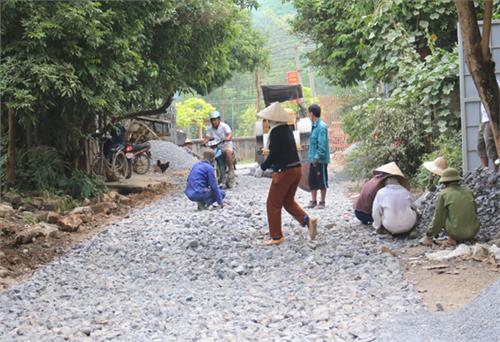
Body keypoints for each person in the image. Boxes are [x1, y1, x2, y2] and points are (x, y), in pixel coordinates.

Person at [254, 102, 317, 245]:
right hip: (296, 169)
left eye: (268, 120)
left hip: (284, 171)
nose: (267, 122)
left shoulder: (275, 132)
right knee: (288, 201)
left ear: (273, 120)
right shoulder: (287, 129)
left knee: (273, 203)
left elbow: (274, 154)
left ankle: (276, 236)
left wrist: (263, 167)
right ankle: (308, 221)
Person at [420, 168, 480, 246]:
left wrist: (429, 234)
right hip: (474, 231)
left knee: (442, 214)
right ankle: (467, 237)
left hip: (456, 233)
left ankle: (453, 238)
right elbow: (475, 211)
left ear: (444, 182)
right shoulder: (468, 191)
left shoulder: (444, 194)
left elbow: (438, 218)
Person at [306, 104, 330, 209]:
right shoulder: (314, 125)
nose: (308, 115)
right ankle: (313, 201)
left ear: (311, 113)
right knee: (312, 180)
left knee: (321, 180)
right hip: (313, 159)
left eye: (308, 113)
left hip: (320, 160)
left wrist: (317, 157)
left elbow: (322, 145)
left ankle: (322, 202)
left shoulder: (321, 127)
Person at [205, 111, 235, 186]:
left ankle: (231, 171)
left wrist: (227, 138)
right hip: (216, 146)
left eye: (215, 120)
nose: (213, 122)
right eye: (212, 120)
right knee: (208, 155)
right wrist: (205, 142)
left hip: (226, 144)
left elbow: (230, 134)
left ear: (219, 119)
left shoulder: (224, 126)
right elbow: (207, 138)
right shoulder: (210, 128)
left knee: (228, 152)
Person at [478, 103, 499, 171]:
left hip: (491, 120)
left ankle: (495, 172)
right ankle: (485, 170)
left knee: (490, 145)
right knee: (481, 145)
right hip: (484, 120)